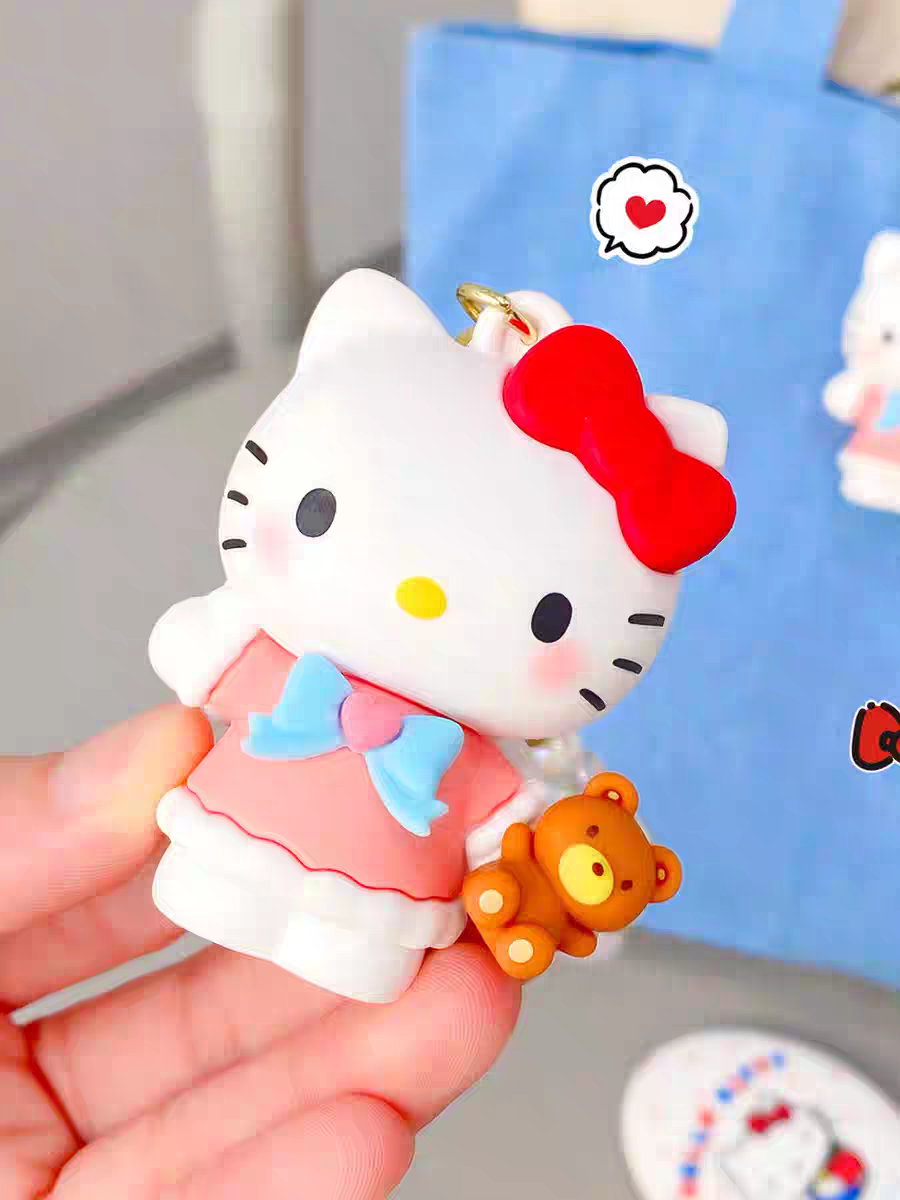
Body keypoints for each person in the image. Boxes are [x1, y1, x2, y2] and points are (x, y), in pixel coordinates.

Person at [0, 705, 521, 1198]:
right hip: (238, 831)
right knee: (213, 894)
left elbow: (506, 819)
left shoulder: (464, 747)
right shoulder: (298, 670)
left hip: (374, 898)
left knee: (364, 971)